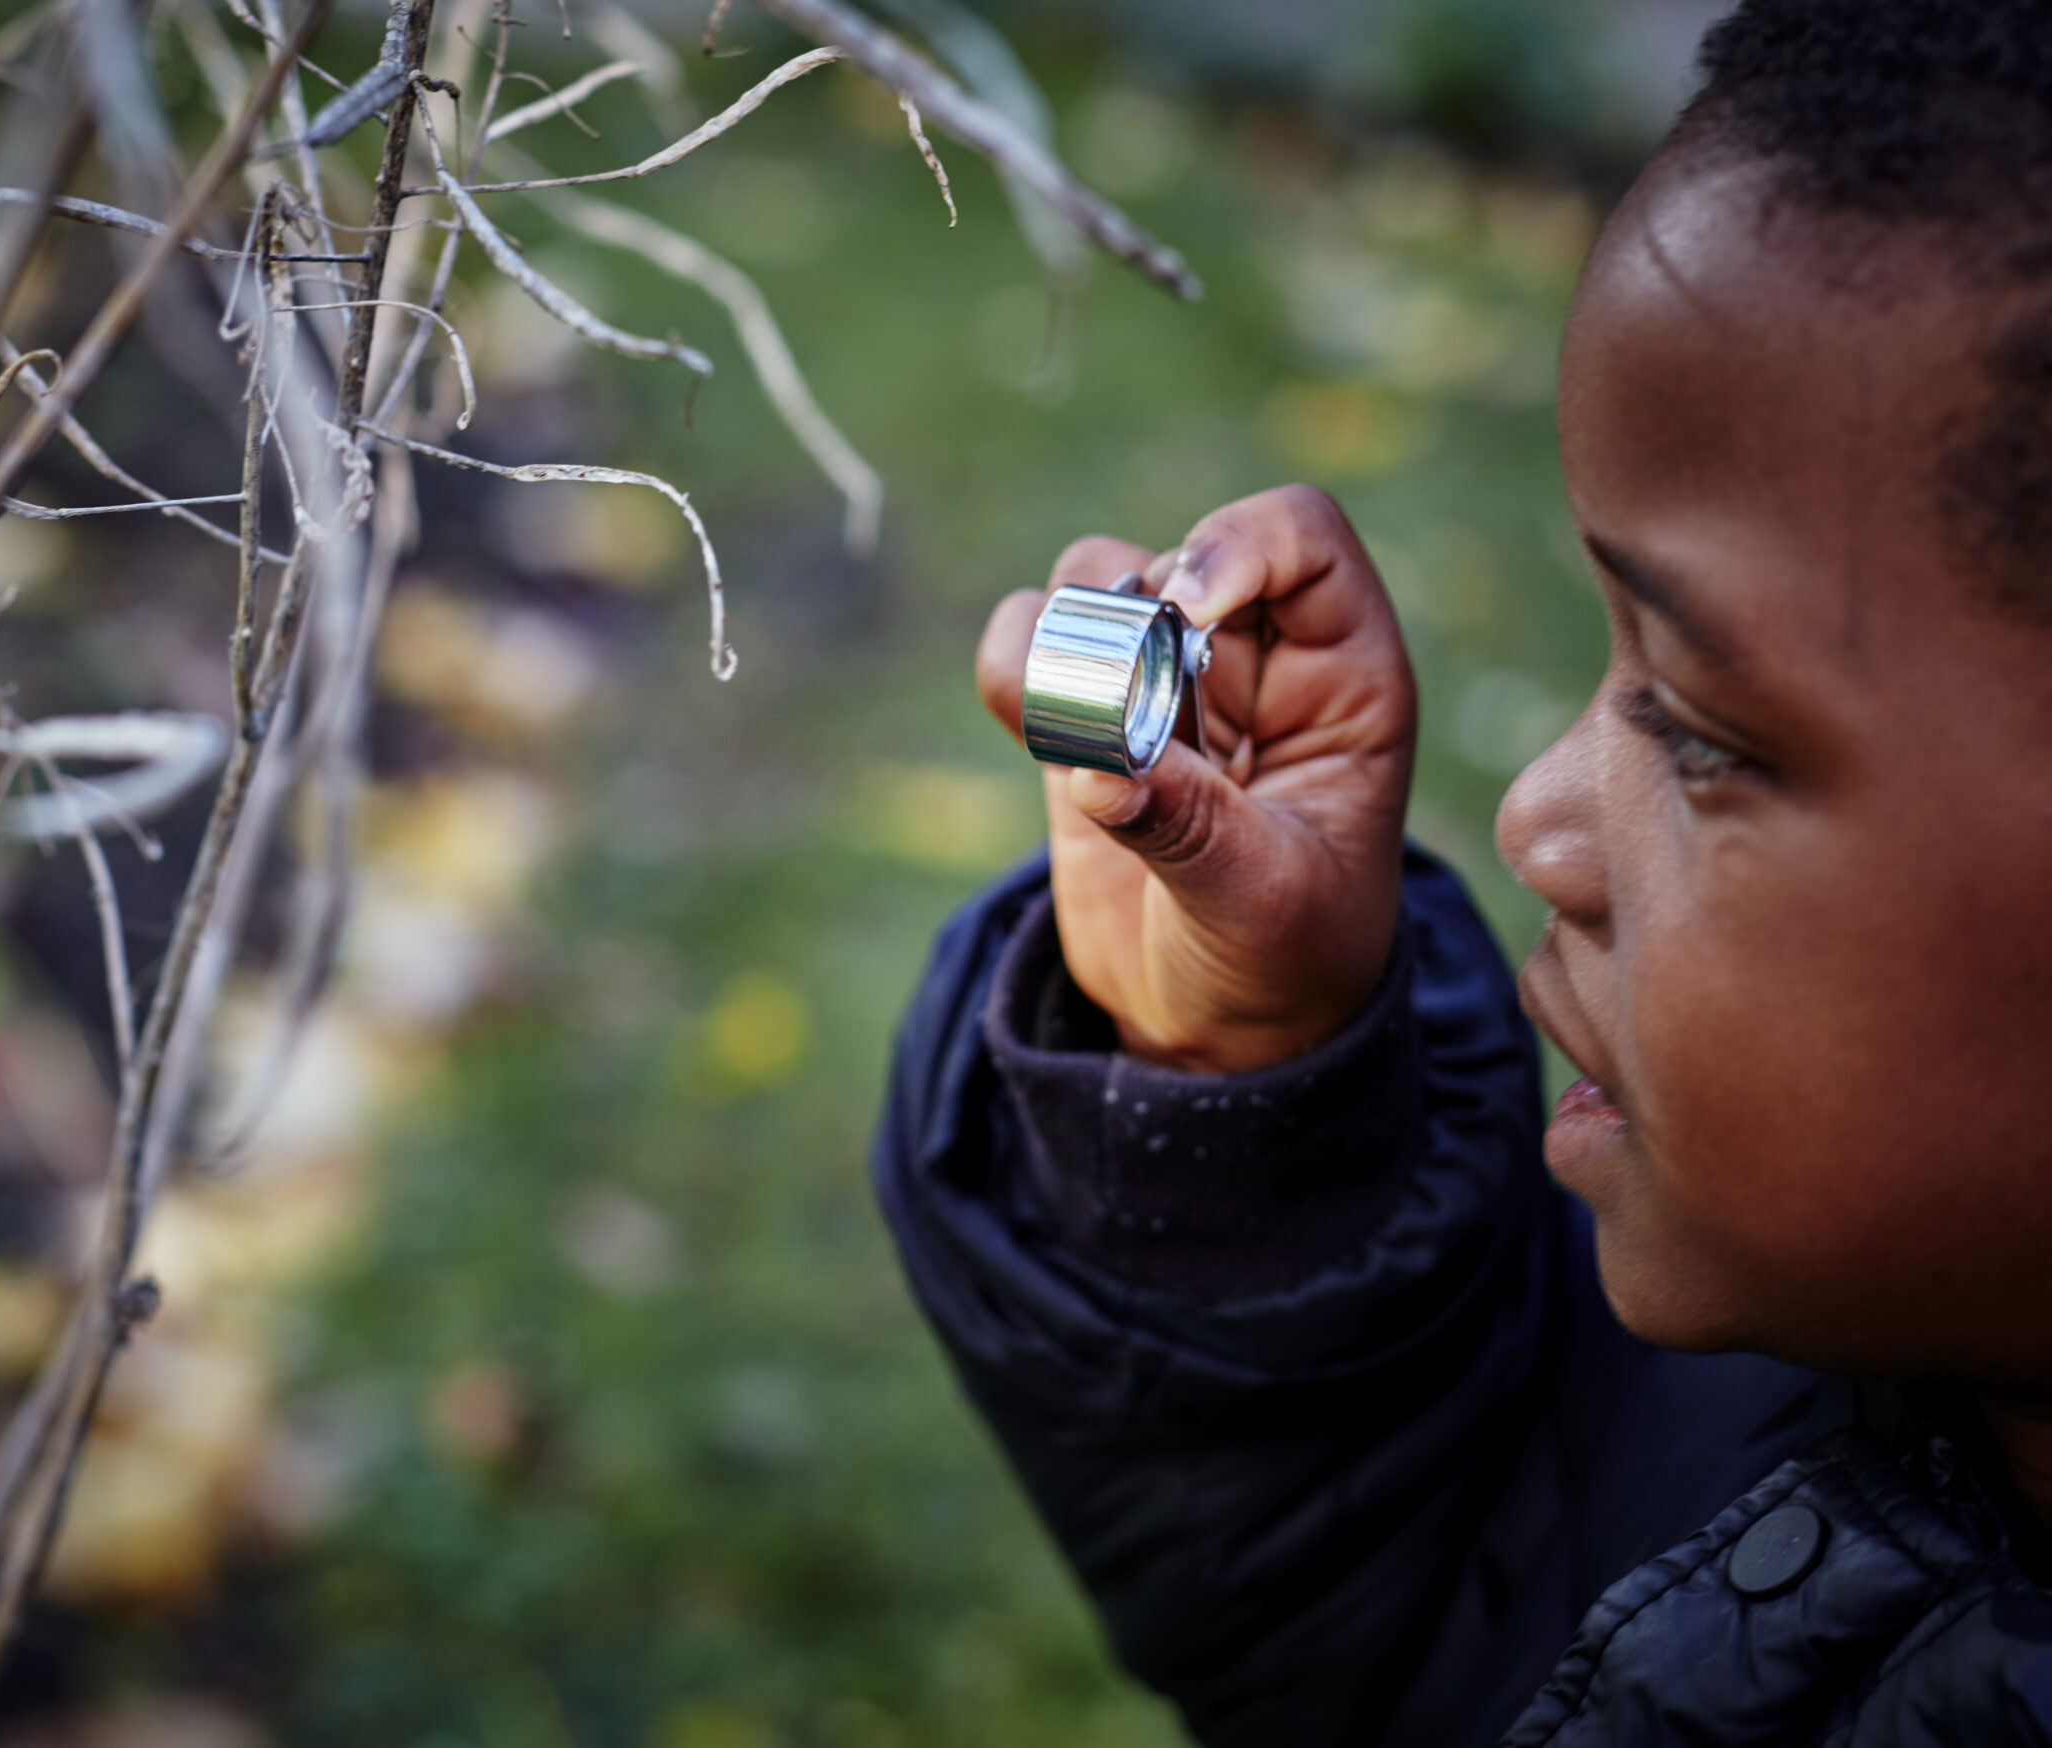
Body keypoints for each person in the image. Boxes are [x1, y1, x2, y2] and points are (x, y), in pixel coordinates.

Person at [873, 2, 2052, 1742]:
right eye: (1617, 671)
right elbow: (1431, 1613)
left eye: (1708, 734)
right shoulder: (1794, 1369)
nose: (1534, 822)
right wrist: (1245, 1093)